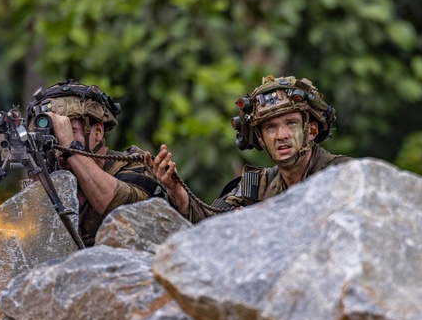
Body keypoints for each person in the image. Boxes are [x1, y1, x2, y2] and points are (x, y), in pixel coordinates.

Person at [148, 75, 349, 222]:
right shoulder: (257, 185)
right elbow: (207, 224)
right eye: (270, 127)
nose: (281, 135)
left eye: (291, 123)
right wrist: (178, 192)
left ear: (311, 130)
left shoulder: (342, 174)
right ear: (261, 139)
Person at [28, 79, 168, 246]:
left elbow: (127, 214)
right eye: (53, 134)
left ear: (98, 132)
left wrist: (70, 147)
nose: (57, 142)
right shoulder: (50, 182)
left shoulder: (134, 166)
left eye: (71, 130)